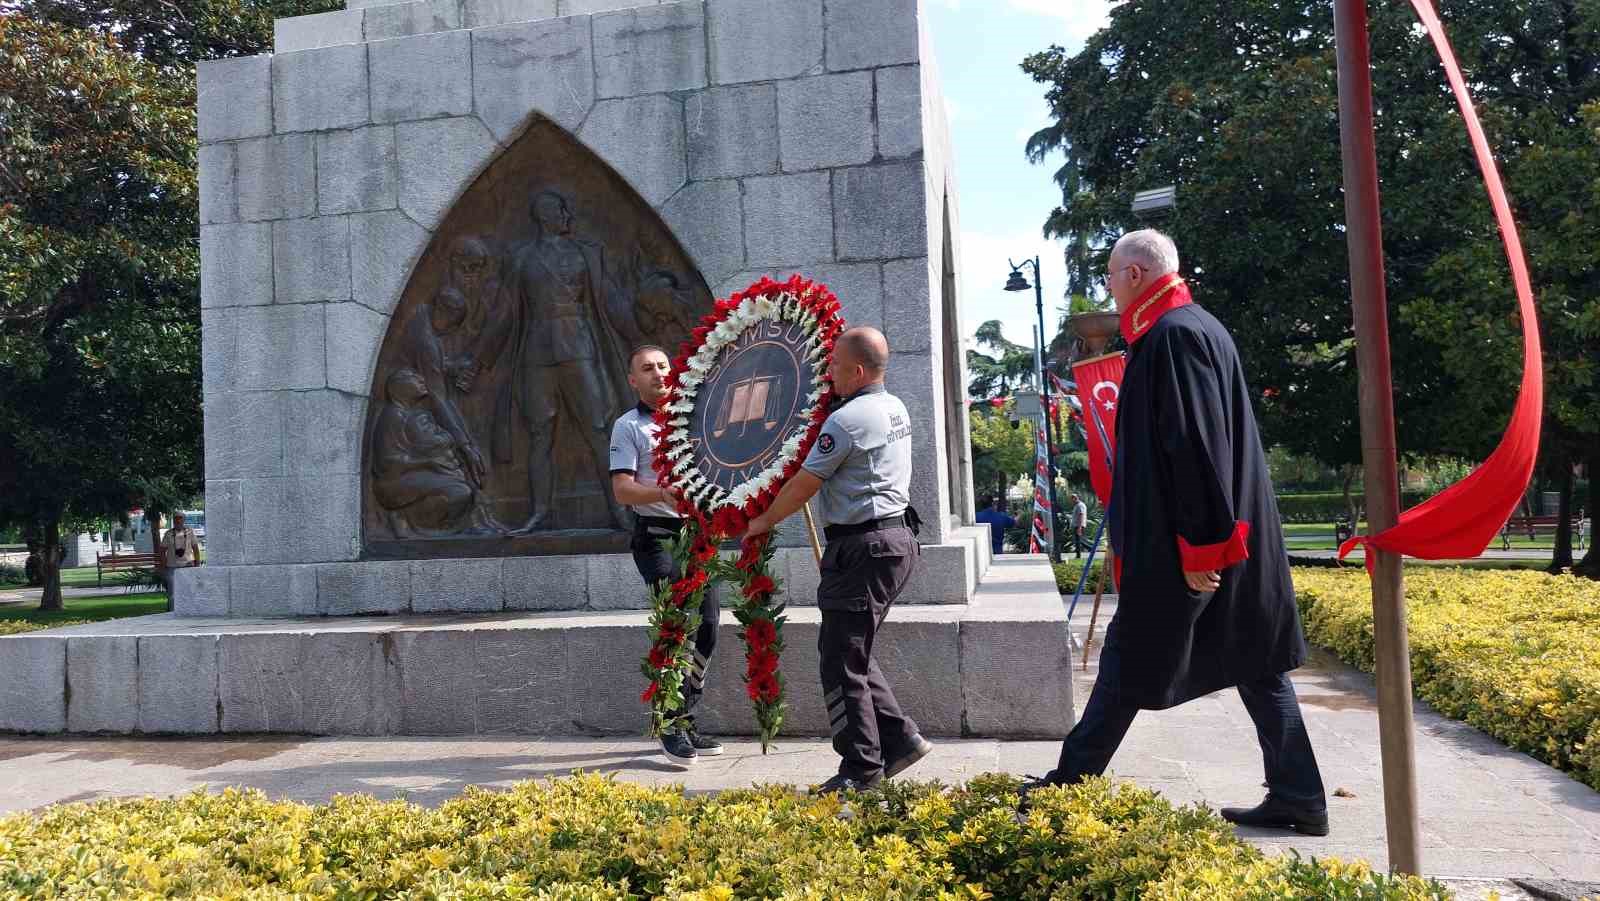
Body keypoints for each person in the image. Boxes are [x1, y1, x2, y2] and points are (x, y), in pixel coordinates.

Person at [1021, 230, 1328, 836]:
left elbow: (1196, 449)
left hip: (1192, 546)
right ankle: (1299, 795)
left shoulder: (1174, 336)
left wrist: (1201, 547)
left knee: (1128, 660)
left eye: (1111, 277)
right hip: (1217, 539)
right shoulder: (1190, 328)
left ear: (1135, 275)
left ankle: (1069, 785)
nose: (1107, 289)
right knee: (1256, 663)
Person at [746, 327, 935, 794]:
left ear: (856, 370)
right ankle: (900, 738)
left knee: (839, 661)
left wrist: (763, 521)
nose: (827, 373)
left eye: (833, 366)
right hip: (893, 541)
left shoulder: (848, 420)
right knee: (855, 652)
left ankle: (861, 769)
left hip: (862, 549)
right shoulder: (893, 406)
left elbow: (804, 485)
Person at [609, 345, 724, 766]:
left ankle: (687, 713)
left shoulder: (693, 419)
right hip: (656, 537)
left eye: (662, 366)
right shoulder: (629, 427)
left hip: (696, 536)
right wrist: (662, 492)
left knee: (709, 625)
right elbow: (622, 489)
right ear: (632, 380)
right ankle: (668, 722)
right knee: (677, 623)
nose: (658, 373)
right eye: (647, 369)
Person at [158, 512, 201, 603]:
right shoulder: (168, 534)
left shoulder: (190, 531)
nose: (178, 520)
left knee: (190, 591)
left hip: (188, 565)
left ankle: (189, 611)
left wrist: (197, 564)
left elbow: (195, 548)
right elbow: (162, 551)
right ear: (173, 520)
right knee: (173, 593)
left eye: (180, 518)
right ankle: (171, 613)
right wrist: (163, 565)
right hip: (172, 567)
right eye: (176, 518)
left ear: (184, 520)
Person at [1070, 493, 1089, 558]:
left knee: (1079, 541)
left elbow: (1081, 515)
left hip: (1079, 525)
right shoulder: (1076, 505)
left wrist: (1079, 527)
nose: (1072, 501)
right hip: (1076, 525)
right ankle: (1090, 549)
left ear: (1076, 498)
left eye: (1073, 499)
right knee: (1079, 541)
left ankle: (1079, 555)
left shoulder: (1080, 505)